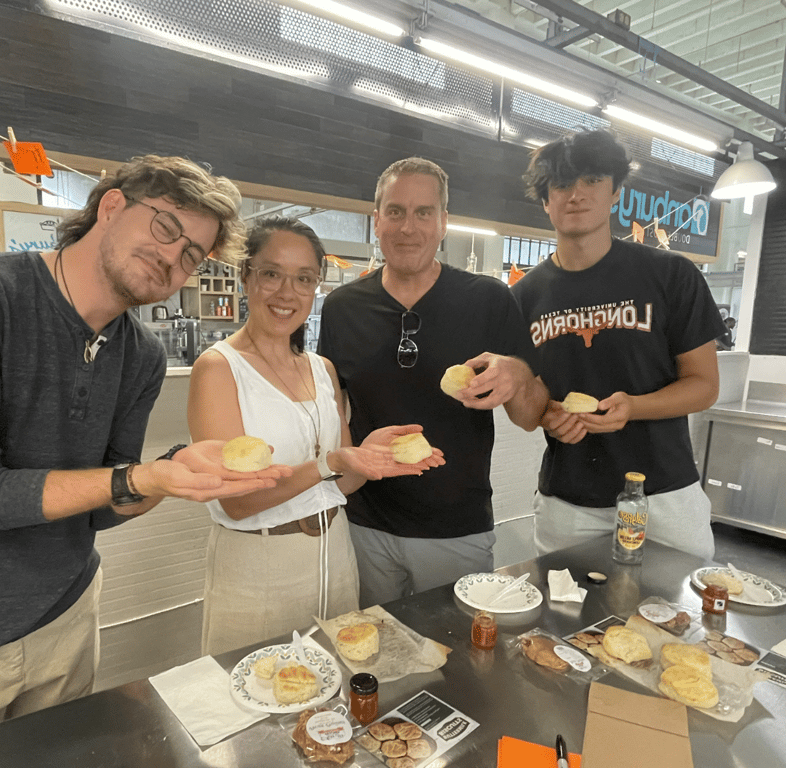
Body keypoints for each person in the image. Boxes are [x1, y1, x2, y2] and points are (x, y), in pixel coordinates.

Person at [0, 155, 290, 768]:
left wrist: (171, 474)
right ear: (111, 207)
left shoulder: (140, 356)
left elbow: (100, 511)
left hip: (64, 622)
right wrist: (138, 477)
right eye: (166, 229)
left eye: (193, 254)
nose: (173, 258)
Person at [188, 216, 442, 654]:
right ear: (246, 276)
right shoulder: (218, 368)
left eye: (304, 279)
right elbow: (237, 500)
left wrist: (365, 457)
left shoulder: (321, 369)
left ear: (316, 287)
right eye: (271, 274)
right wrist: (331, 462)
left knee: (337, 692)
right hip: (259, 564)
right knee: (260, 698)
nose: (287, 293)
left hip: (335, 554)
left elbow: (341, 483)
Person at [318, 158, 548, 608]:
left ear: (444, 222)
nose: (409, 227)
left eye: (424, 213)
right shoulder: (342, 308)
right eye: (396, 211)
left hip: (456, 528)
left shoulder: (488, 299)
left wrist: (518, 374)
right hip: (364, 525)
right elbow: (330, 411)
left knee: (458, 663)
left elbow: (529, 417)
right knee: (371, 658)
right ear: (377, 218)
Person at [511, 130, 725, 560]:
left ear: (616, 193)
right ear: (545, 200)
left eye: (591, 180)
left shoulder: (670, 275)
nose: (576, 195)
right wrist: (548, 414)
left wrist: (633, 407)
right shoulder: (524, 296)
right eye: (561, 184)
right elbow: (524, 410)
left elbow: (704, 385)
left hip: (663, 495)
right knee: (564, 620)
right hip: (568, 502)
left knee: (676, 619)